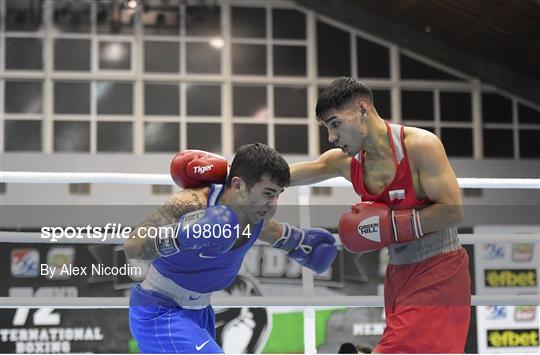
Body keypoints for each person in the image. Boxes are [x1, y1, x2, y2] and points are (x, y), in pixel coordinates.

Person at [188, 78, 471, 353]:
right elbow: (283, 176)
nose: (332, 137)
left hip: (438, 268)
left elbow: (453, 210)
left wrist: (393, 227)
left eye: (335, 124)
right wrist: (226, 176)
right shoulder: (346, 162)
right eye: (326, 128)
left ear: (363, 110)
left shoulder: (420, 146)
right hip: (398, 270)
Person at [124, 143, 337, 354]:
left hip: (201, 312)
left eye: (278, 194)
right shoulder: (194, 203)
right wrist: (181, 235)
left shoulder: (258, 217)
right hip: (160, 311)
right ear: (237, 186)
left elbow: (281, 234)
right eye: (268, 193)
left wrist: (304, 245)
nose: (273, 204)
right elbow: (133, 246)